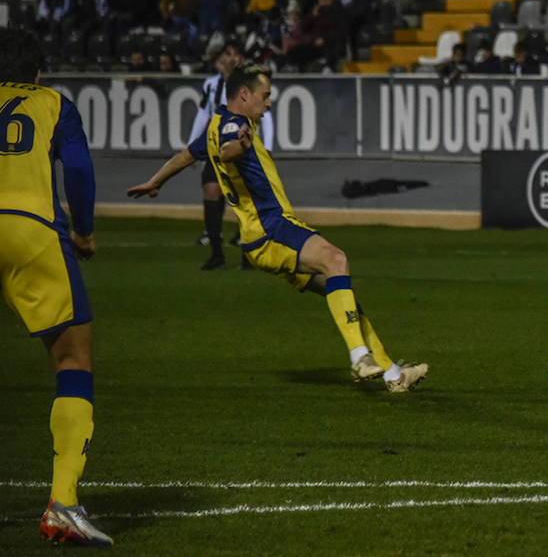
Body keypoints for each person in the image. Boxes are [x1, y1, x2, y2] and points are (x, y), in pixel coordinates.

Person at [127, 64, 429, 391]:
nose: (269, 103)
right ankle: (359, 358)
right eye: (265, 95)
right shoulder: (234, 126)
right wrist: (239, 147)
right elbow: (230, 149)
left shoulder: (215, 125)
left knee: (342, 293)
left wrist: (155, 181)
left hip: (260, 238)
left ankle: (393, 376)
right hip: (271, 229)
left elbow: (185, 156)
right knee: (337, 259)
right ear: (244, 94)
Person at [0, 27, 110, 545]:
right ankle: (62, 503)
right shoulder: (52, 103)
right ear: (38, 72)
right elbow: (80, 172)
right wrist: (83, 231)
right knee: (72, 358)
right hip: (29, 227)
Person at [187, 41, 275, 270]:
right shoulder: (212, 85)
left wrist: (268, 146)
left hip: (243, 148)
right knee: (211, 190)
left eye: (236, 54)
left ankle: (249, 255)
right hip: (217, 147)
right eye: (228, 54)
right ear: (220, 59)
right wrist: (191, 146)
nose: (231, 58)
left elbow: (265, 115)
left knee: (244, 199)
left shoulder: (250, 84)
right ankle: (217, 252)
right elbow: (203, 114)